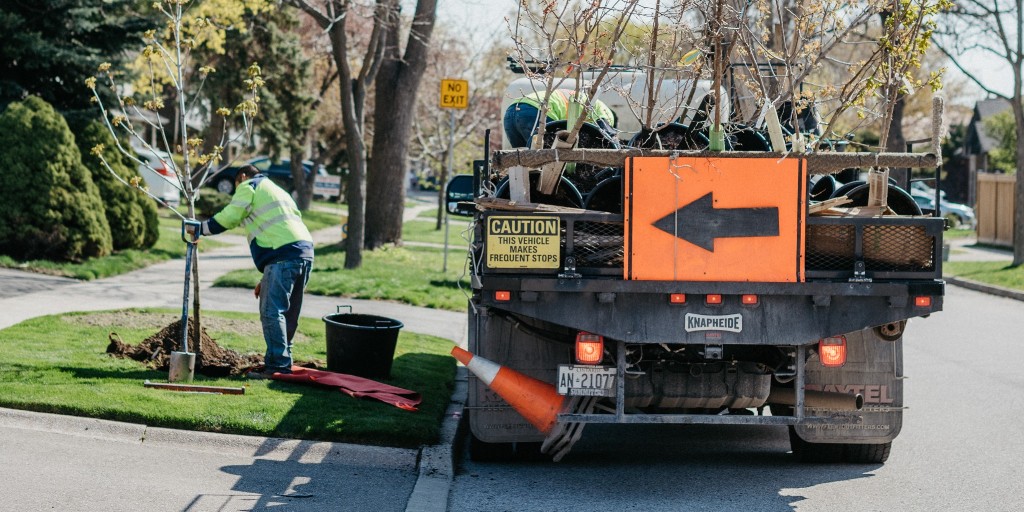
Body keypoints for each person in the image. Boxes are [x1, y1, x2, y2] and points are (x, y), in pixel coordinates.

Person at [187, 164, 314, 378]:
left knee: (272, 312)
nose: (238, 190)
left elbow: (232, 215)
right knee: (289, 312)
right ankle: (284, 361)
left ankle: (277, 367)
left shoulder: (250, 185)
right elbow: (280, 229)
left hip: (281, 256)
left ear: (243, 177)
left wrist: (201, 229)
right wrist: (267, 277)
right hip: (304, 253)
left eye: (237, 184)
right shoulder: (276, 190)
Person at [503, 89, 616, 148]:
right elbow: (610, 138)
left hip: (511, 110)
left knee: (521, 160)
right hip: (536, 110)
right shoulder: (605, 113)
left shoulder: (590, 103)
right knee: (547, 156)